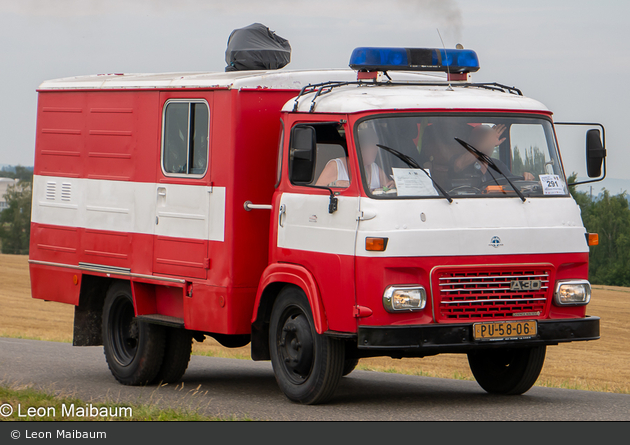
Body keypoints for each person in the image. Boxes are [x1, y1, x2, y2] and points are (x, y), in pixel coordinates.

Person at [450, 124, 535, 185]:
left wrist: (525, 179)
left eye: (490, 140)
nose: (488, 143)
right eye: (482, 138)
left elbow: (512, 185)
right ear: (470, 140)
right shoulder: (459, 160)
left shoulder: (498, 165)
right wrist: (486, 143)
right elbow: (458, 166)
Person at [315, 129, 394, 190]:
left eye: (376, 146)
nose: (375, 150)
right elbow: (316, 192)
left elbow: (388, 187)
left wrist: (392, 185)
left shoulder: (375, 168)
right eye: (371, 146)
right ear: (359, 148)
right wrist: (334, 184)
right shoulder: (336, 165)